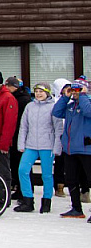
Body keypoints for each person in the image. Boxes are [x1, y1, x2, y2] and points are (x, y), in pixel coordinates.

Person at [15, 83, 62, 213]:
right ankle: (28, 200)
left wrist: (57, 146)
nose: (38, 94)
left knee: (46, 175)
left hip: (47, 145)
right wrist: (21, 144)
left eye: (41, 91)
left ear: (47, 93)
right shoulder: (30, 106)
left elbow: (58, 128)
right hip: (31, 145)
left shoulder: (53, 107)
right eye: (36, 91)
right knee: (22, 170)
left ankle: (46, 202)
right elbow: (23, 126)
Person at [51, 77, 91, 219]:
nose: (75, 92)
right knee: (71, 179)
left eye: (78, 89)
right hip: (70, 149)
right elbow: (56, 112)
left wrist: (84, 95)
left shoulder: (88, 102)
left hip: (86, 149)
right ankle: (76, 208)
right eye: (73, 89)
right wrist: (64, 97)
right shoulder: (70, 105)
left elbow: (88, 112)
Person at [7, 76, 32, 200]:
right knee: (14, 163)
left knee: (22, 163)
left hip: (21, 134)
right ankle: (18, 187)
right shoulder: (13, 97)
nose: (6, 88)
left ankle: (25, 190)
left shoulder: (23, 99)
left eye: (8, 86)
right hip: (13, 133)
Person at [52, 78, 72, 198]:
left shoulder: (72, 100)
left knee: (70, 162)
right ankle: (59, 186)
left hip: (70, 135)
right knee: (59, 162)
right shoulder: (54, 101)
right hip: (58, 135)